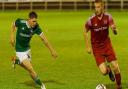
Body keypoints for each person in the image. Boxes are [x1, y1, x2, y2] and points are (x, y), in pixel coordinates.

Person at [10, 11, 57, 89]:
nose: (35, 23)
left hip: (27, 49)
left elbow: (44, 39)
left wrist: (52, 50)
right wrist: (12, 36)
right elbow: (13, 24)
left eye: (36, 21)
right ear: (28, 19)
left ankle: (15, 61)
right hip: (19, 50)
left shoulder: (36, 27)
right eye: (33, 21)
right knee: (30, 69)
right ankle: (42, 85)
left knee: (28, 68)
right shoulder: (21, 22)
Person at [84, 0, 121, 89]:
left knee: (115, 66)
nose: (96, 9)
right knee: (104, 71)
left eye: (98, 7)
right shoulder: (90, 20)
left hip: (107, 45)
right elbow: (85, 32)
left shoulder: (108, 17)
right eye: (95, 7)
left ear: (102, 7)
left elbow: (115, 32)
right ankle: (108, 71)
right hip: (97, 48)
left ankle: (118, 85)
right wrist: (88, 46)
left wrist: (114, 30)